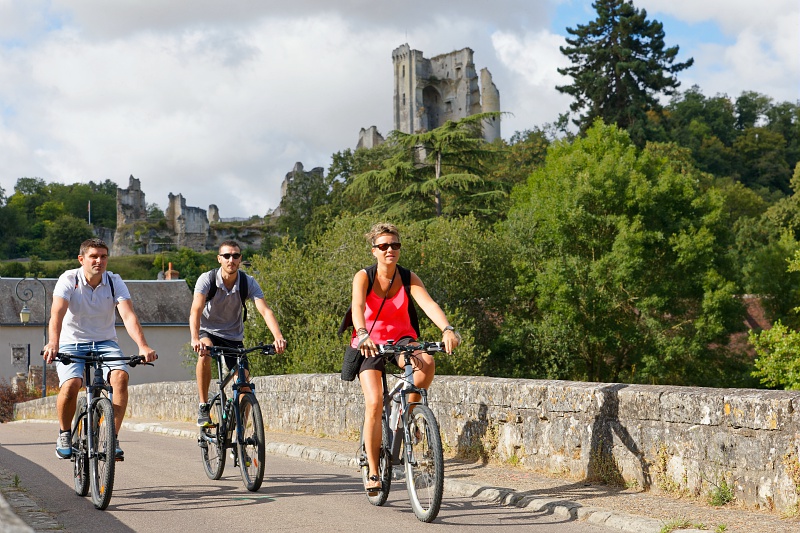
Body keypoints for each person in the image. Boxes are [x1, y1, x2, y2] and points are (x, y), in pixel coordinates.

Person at [349, 223, 460, 493]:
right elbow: (358, 306)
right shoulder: (364, 276)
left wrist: (447, 329)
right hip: (370, 343)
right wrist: (363, 334)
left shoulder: (409, 277)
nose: (390, 250)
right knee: (375, 403)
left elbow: (429, 304)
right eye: (384, 246)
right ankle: (374, 471)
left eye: (395, 245)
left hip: (402, 341)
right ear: (374, 250)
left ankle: (409, 415)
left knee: (427, 364)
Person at [43, 238, 158, 460]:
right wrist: (53, 342)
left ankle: (111, 438)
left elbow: (127, 315)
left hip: (105, 343)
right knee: (72, 385)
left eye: (103, 256)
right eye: (93, 256)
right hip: (71, 342)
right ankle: (65, 433)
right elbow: (57, 312)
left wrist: (143, 346)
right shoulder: (69, 279)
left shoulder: (114, 281)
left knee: (121, 376)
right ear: (81, 259)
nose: (99, 261)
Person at [190, 240, 287, 427]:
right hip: (208, 331)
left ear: (240, 259)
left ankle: (240, 430)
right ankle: (203, 406)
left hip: (233, 337)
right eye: (226, 255)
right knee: (205, 353)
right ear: (219, 259)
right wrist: (195, 338)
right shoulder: (207, 280)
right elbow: (195, 310)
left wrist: (278, 337)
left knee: (244, 384)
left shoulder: (247, 282)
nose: (231, 259)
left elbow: (265, 311)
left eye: (235, 255)